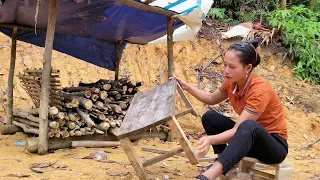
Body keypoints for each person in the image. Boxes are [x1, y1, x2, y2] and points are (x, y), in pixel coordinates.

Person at [176, 40, 288, 180]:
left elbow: (237, 130)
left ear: (248, 68)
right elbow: (211, 98)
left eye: (232, 67)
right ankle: (227, 163)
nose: (226, 70)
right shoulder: (232, 83)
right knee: (210, 117)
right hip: (248, 142)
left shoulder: (260, 90)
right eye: (225, 65)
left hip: (273, 147)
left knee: (249, 126)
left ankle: (209, 175)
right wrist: (187, 87)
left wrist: (210, 139)